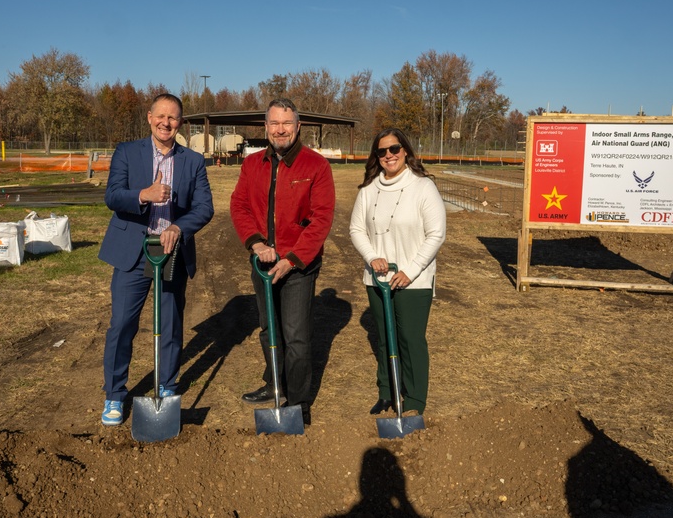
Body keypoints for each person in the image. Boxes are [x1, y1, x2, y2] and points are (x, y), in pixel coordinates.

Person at [97, 93, 214, 426]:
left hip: (170, 251)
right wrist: (143, 196)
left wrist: (179, 226)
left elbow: (205, 208)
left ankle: (167, 387)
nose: (166, 123)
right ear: (149, 117)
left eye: (173, 118)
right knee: (121, 325)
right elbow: (112, 196)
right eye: (161, 116)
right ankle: (115, 396)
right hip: (133, 251)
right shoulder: (127, 152)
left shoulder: (193, 161)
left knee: (171, 325)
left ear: (180, 123)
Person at [229, 98, 335, 426]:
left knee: (296, 335)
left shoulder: (315, 166)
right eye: (274, 123)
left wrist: (292, 259)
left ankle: (298, 403)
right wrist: (256, 243)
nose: (280, 130)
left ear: (298, 126)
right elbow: (240, 205)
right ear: (265, 127)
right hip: (262, 262)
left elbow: (321, 219)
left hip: (298, 266)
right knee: (268, 328)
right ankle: (275, 382)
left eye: (286, 123)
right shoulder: (252, 164)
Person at [349, 128, 445, 416]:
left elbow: (436, 234)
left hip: (412, 281)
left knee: (410, 339)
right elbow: (356, 229)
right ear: (376, 156)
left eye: (394, 149)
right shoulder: (368, 189)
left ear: (405, 151)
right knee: (384, 337)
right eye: (382, 151)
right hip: (377, 279)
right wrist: (371, 256)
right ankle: (387, 392)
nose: (388, 155)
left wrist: (411, 270)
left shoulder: (423, 187)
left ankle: (414, 400)